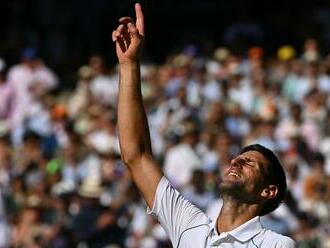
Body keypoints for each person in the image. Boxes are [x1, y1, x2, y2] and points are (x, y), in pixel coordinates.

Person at [113, 3, 296, 247]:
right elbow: (136, 155)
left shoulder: (276, 244)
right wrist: (129, 66)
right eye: (239, 157)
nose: (236, 160)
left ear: (268, 191)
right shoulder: (188, 224)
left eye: (250, 163)